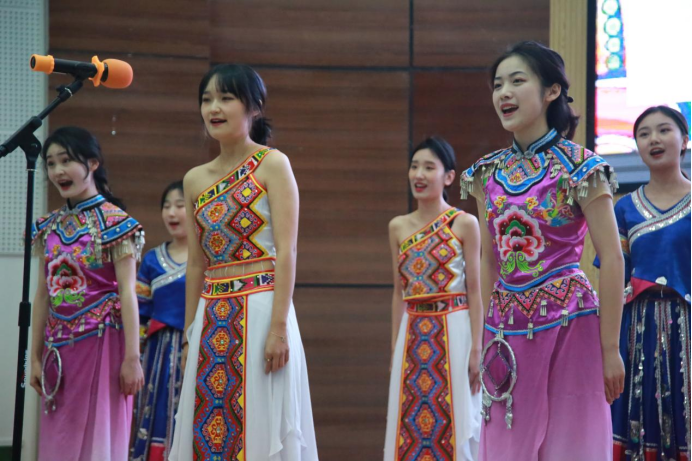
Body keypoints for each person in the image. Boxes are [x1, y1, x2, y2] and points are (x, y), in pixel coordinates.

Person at [460, 41, 625, 461]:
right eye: (498, 85)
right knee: (505, 444)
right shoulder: (485, 173)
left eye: (517, 81)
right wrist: (484, 336)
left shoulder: (582, 169)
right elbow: (489, 260)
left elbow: (611, 257)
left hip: (571, 326)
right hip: (505, 329)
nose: (504, 93)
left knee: (571, 443)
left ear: (552, 91)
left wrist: (610, 349)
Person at [169, 64, 319, 460]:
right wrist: (189, 334)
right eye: (206, 100)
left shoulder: (273, 164)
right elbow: (197, 264)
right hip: (211, 315)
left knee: (261, 426)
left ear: (254, 107)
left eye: (225, 98)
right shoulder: (194, 179)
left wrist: (279, 329)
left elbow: (287, 251)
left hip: (263, 311)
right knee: (208, 424)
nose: (213, 108)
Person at [29, 126, 145, 461]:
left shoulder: (116, 224)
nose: (58, 171)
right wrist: (33, 357)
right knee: (59, 438)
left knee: (100, 434)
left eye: (66, 160)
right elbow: (43, 295)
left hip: (103, 344)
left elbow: (128, 293)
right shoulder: (47, 227)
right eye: (51, 163)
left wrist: (132, 358)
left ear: (92, 163)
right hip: (57, 350)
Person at [597, 106, 691, 461]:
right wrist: (607, 346)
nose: (654, 139)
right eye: (644, 134)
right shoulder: (624, 209)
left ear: (685, 140)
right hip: (636, 329)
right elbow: (613, 276)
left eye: (664, 130)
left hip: (687, 327)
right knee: (636, 413)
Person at [384, 137, 483, 461]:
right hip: (412, 333)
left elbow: (475, 291)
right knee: (410, 421)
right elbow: (399, 293)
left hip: (455, 330)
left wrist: (477, 348)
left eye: (429, 167)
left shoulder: (464, 223)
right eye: (414, 167)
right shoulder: (397, 227)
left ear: (449, 176)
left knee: (455, 421)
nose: (419, 174)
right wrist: (395, 348)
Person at [131, 180, 188, 461]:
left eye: (180, 205)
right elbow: (140, 314)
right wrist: (135, 357)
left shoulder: (210, 259)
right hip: (157, 357)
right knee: (154, 414)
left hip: (196, 351)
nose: (171, 213)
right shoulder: (152, 259)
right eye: (166, 206)